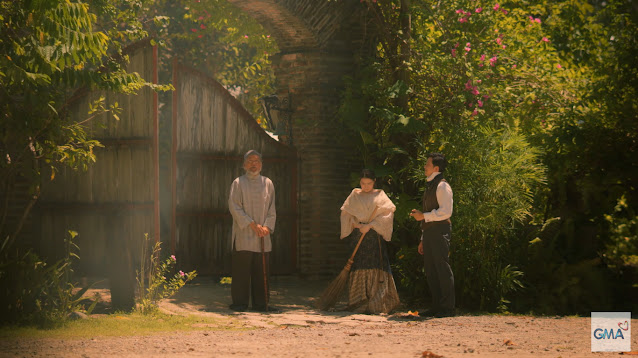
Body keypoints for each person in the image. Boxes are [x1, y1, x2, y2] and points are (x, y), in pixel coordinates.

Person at [340, 169, 400, 314]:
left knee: (376, 264)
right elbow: (345, 213)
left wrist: (371, 226)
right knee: (359, 264)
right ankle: (358, 302)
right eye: (363, 183)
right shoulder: (355, 194)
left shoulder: (380, 195)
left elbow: (388, 213)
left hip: (374, 237)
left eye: (369, 183)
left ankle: (377, 303)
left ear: (374, 182)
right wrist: (356, 224)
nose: (366, 186)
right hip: (359, 235)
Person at [228, 150, 276, 312]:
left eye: (256, 161)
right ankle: (240, 303)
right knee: (241, 271)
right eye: (250, 161)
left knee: (261, 271)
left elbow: (272, 208)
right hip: (244, 233)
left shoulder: (268, 183)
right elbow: (234, 207)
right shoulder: (238, 183)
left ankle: (261, 304)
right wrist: (251, 224)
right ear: (244, 165)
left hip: (263, 234)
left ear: (261, 164)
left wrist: (267, 227)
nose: (253, 164)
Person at [410, 153, 455, 317]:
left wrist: (423, 216)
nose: (424, 166)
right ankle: (437, 306)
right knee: (430, 269)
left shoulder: (443, 186)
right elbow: (430, 213)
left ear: (436, 168)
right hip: (429, 232)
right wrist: (423, 238)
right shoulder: (431, 185)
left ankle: (448, 308)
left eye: (427, 164)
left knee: (442, 268)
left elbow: (446, 212)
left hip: (440, 231)